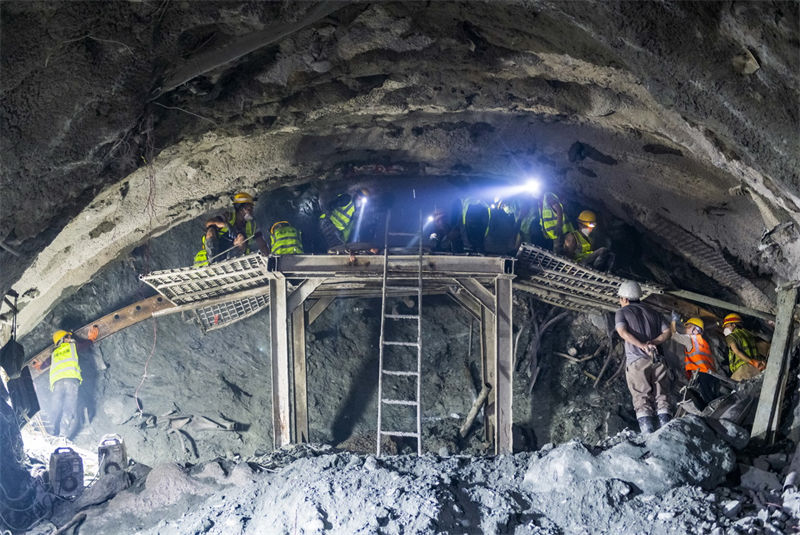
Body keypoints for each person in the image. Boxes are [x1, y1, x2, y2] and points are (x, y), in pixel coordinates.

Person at [615, 280, 673, 434]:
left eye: (620, 298)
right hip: (657, 359)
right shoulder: (654, 312)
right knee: (662, 395)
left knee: (641, 396)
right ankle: (666, 430)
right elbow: (668, 332)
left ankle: (648, 434)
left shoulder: (622, 312)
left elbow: (622, 332)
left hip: (637, 360)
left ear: (625, 299)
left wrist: (642, 345)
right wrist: (652, 342)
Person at [193, 192, 269, 266]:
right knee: (211, 229)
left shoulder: (252, 225)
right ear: (240, 208)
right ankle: (212, 261)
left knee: (241, 238)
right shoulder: (229, 216)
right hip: (218, 249)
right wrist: (226, 225)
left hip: (234, 256)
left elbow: (262, 244)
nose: (251, 211)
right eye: (249, 208)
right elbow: (209, 223)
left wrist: (268, 258)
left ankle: (229, 264)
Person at [670, 315, 719, 409]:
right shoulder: (704, 342)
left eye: (688, 327)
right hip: (712, 374)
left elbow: (674, 335)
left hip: (700, 374)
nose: (686, 329)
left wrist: (673, 321)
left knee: (704, 400)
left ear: (696, 330)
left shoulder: (690, 339)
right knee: (712, 397)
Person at [49, 330, 83, 439]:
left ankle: (51, 433)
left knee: (55, 408)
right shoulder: (72, 346)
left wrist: (40, 365)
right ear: (62, 339)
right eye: (68, 336)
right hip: (70, 381)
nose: (70, 338)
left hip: (57, 383)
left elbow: (45, 363)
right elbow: (84, 346)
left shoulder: (54, 353)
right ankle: (62, 436)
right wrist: (91, 339)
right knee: (68, 408)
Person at [723, 313, 766, 381]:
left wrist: (752, 361)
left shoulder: (730, 337)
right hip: (757, 367)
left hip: (743, 370)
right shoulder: (749, 334)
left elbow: (736, 351)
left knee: (733, 387)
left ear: (733, 324)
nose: (725, 329)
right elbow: (764, 347)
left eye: (726, 326)